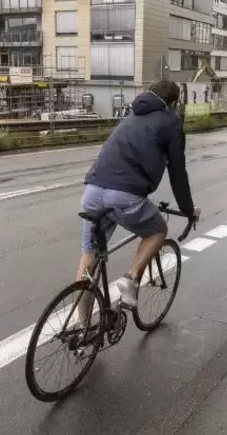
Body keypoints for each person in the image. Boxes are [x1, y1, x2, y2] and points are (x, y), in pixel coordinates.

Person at [76, 79, 197, 314]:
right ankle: (131, 279)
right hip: (124, 194)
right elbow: (177, 173)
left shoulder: (130, 116)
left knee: (88, 256)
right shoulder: (171, 122)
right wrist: (188, 209)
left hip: (92, 190)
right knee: (157, 231)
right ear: (173, 103)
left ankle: (83, 331)